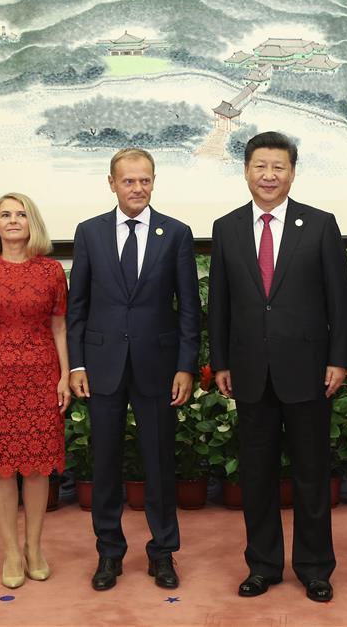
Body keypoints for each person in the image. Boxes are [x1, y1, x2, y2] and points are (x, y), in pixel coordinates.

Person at [208, 131, 347, 603]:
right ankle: (263, 566)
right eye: (260, 166)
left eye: (278, 167)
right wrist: (220, 361)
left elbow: (340, 301)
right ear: (246, 171)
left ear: (292, 173)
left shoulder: (320, 225)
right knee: (256, 476)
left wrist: (338, 359)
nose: (269, 175)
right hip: (250, 371)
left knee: (312, 475)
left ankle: (315, 568)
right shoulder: (227, 227)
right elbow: (219, 304)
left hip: (309, 371)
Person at [67, 148, 199, 592]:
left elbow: (189, 309)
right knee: (104, 463)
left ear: (154, 182)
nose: (137, 188)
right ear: (112, 184)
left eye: (145, 180)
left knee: (159, 463)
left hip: (158, 368)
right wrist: (77, 363)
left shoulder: (176, 233)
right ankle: (109, 553)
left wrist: (185, 366)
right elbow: (77, 306)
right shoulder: (89, 232)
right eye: (128, 181)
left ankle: (163, 552)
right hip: (101, 366)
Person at [0, 192, 71, 589]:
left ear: (32, 223)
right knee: (1, 470)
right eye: (5, 214)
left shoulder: (52, 271)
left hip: (41, 378)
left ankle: (34, 548)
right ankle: (11, 551)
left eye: (21, 214)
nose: (12, 220)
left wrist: (64, 375)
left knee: (39, 469)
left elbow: (60, 326)